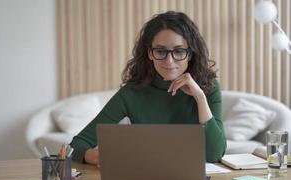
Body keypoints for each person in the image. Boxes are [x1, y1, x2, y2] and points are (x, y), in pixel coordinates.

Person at [70, 11, 226, 165]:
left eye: (179, 51)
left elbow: (214, 154)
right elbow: (77, 145)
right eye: (160, 51)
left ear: (190, 54)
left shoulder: (208, 88)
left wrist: (199, 97)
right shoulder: (132, 93)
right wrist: (98, 158)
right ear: (150, 53)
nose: (169, 60)